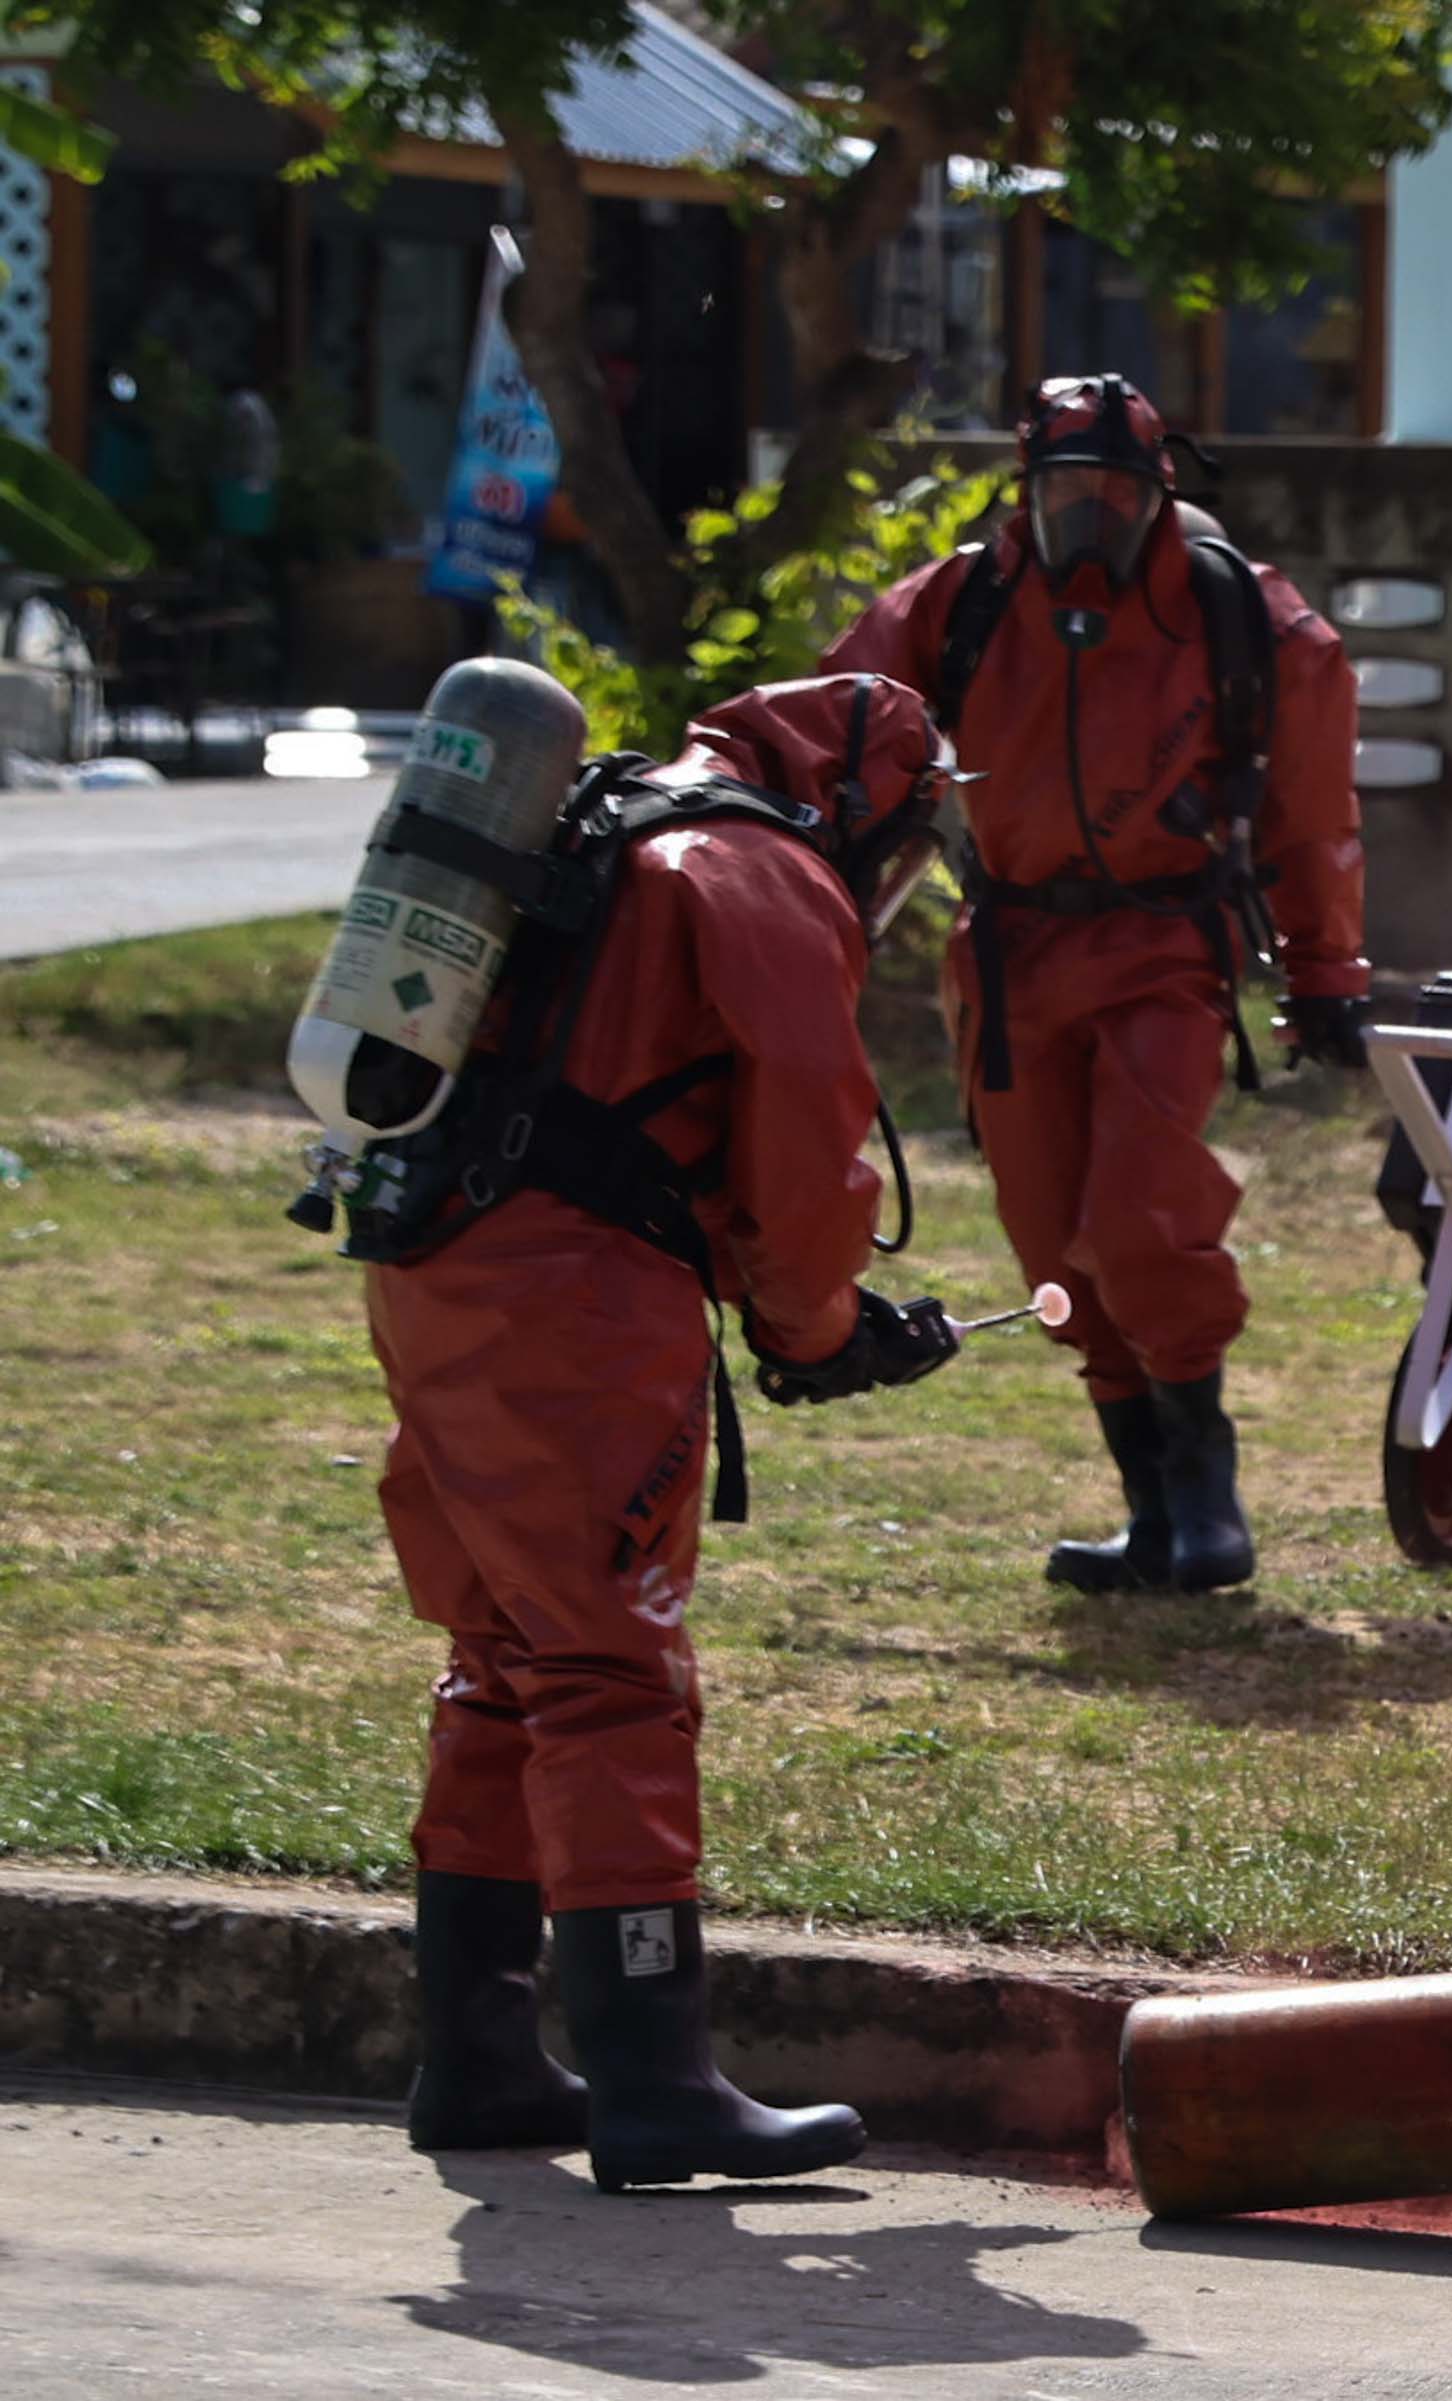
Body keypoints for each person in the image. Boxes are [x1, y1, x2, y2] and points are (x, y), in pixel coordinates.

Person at [363, 674, 965, 2190]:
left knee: (508, 1653)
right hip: (577, 1298)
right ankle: (653, 2086)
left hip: (438, 1268)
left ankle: (484, 2059)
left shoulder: (600, 816)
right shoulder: (758, 869)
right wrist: (819, 1335)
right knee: (615, 1669)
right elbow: (806, 1147)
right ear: (862, 799)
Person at [824, 373, 1369, 1596]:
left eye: (1114, 492)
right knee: (1051, 1247)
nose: (1089, 514)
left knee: (1143, 1220)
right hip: (1013, 960)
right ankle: (1153, 1509)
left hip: (1163, 951)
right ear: (1028, 493)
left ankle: (1209, 1498)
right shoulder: (965, 602)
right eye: (1065, 489)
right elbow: (835, 717)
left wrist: (1327, 967)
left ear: (1157, 493)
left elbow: (1315, 799)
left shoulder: (1234, 613)